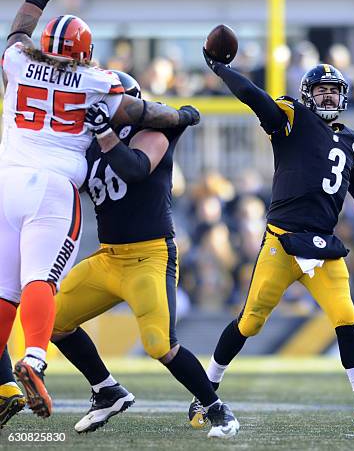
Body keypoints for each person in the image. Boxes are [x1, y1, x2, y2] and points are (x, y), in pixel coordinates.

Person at [0, 0, 199, 419]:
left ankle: (9, 385)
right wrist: (182, 117)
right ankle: (34, 360)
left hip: (7, 181)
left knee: (3, 291)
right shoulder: (96, 84)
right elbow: (143, 113)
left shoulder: (16, 60)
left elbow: (18, 29)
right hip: (51, 188)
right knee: (40, 279)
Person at [195, 47, 354, 431]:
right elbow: (256, 99)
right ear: (307, 94)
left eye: (333, 91)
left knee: (346, 316)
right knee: (250, 321)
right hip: (282, 240)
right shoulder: (292, 117)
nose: (328, 97)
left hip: (323, 244)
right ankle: (205, 393)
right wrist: (223, 70)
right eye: (320, 90)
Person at [43, 71, 238, 439]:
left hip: (149, 256)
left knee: (160, 345)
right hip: (108, 257)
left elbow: (133, 169)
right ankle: (107, 390)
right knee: (53, 320)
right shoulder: (90, 142)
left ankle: (217, 410)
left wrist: (104, 133)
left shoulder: (153, 133)